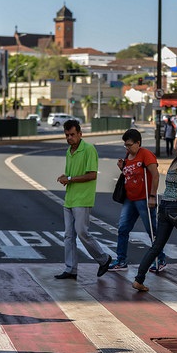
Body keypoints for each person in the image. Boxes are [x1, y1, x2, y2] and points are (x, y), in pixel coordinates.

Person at [132, 135, 177, 292]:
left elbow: (172, 189)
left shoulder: (175, 162)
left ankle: (139, 279)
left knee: (157, 246)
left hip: (164, 208)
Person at [55, 120, 112, 280]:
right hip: (70, 199)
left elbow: (92, 174)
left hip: (83, 198)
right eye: (67, 135)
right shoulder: (69, 151)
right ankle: (71, 269)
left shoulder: (88, 149)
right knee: (68, 236)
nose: (70, 138)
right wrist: (65, 178)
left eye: (72, 134)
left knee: (82, 232)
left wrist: (70, 178)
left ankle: (103, 259)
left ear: (80, 134)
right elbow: (70, 175)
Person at [108, 129, 166, 272]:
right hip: (130, 198)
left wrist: (152, 196)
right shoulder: (128, 155)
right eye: (125, 145)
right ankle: (121, 260)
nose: (127, 148)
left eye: (129, 145)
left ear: (138, 143)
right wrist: (123, 167)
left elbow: (155, 175)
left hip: (144, 199)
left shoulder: (146, 155)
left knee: (151, 230)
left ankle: (161, 259)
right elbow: (130, 174)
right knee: (123, 228)